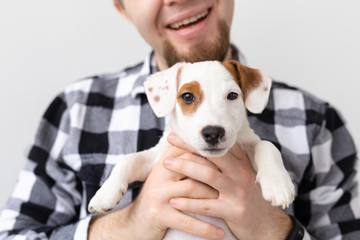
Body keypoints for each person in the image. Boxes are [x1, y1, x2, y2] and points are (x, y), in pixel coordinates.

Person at [0, 0, 359, 239]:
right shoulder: (74, 112)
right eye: (188, 98)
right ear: (122, 7)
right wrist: (126, 225)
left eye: (231, 97)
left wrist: (275, 230)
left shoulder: (317, 123)